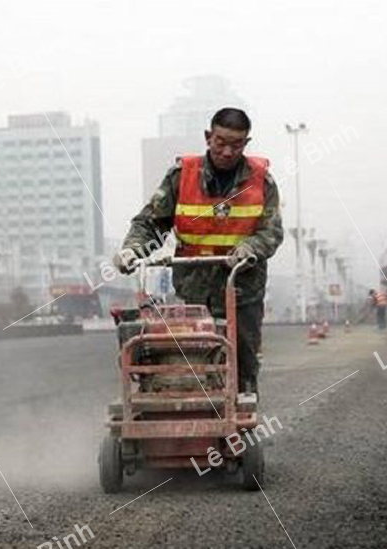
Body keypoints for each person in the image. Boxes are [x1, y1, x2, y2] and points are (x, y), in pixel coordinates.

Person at [111, 107, 283, 395]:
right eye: (221, 142)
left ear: (246, 144)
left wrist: (249, 248)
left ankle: (241, 414)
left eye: (236, 144)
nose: (228, 151)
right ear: (208, 137)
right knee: (185, 353)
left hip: (241, 288)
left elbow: (272, 232)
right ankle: (181, 403)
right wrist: (133, 250)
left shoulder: (261, 181)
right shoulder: (182, 177)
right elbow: (152, 222)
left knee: (242, 358)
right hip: (193, 287)